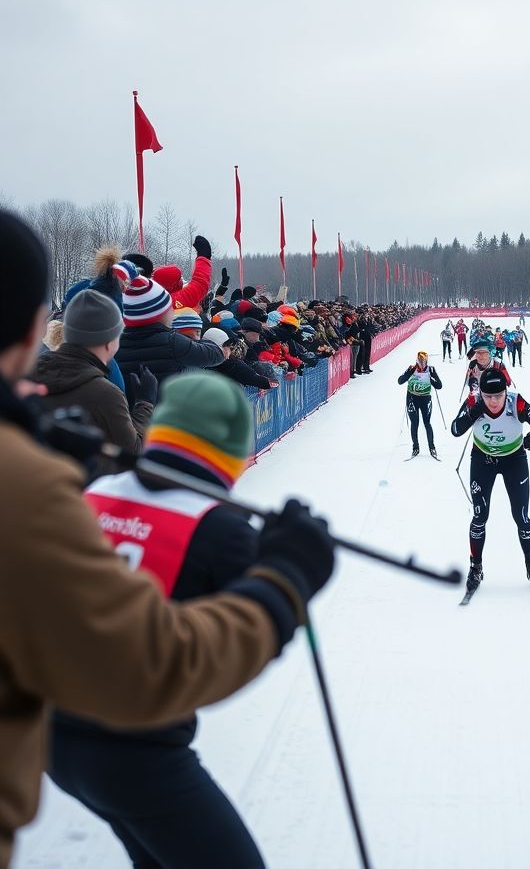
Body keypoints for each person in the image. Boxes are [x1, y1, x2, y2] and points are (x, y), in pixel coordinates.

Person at [0, 210, 336, 867]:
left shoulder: (59, 477)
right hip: (124, 736)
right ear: (26, 335)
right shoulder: (27, 486)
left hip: (64, 741)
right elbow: (150, 663)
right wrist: (285, 580)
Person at [48, 373, 272, 868]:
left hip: (55, 730)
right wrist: (286, 570)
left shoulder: (98, 490)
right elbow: (244, 642)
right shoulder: (220, 526)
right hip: (135, 747)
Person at [32, 290, 157, 478]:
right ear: (109, 341)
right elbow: (132, 453)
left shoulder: (28, 375)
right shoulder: (105, 394)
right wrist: (145, 402)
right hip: (85, 494)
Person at [450, 368, 530, 601]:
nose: (493, 402)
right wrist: (474, 412)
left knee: (522, 517)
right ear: (481, 393)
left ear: (506, 391)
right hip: (482, 460)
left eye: (498, 396)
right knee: (479, 517)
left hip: (514, 460)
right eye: (488, 396)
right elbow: (455, 429)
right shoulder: (474, 400)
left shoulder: (516, 402)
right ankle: (476, 568)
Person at [397, 350, 443, 457]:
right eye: (420, 361)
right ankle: (415, 447)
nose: (422, 364)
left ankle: (432, 448)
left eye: (424, 361)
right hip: (412, 399)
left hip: (425, 399)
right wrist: (408, 372)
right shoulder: (412, 368)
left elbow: (439, 386)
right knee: (415, 423)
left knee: (427, 423)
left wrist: (431, 378)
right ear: (417, 360)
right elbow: (400, 381)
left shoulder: (430, 370)